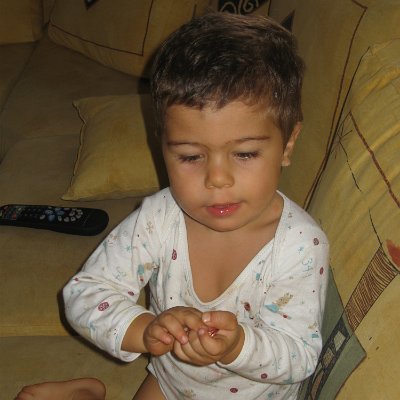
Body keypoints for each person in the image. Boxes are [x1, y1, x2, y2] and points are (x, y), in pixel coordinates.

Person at [16, 12, 329, 400]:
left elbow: (300, 356)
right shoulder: (158, 219)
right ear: (161, 145)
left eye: (245, 154)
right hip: (171, 383)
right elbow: (85, 293)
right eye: (190, 157)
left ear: (288, 144)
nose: (217, 179)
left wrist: (238, 346)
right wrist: (144, 329)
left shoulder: (300, 246)